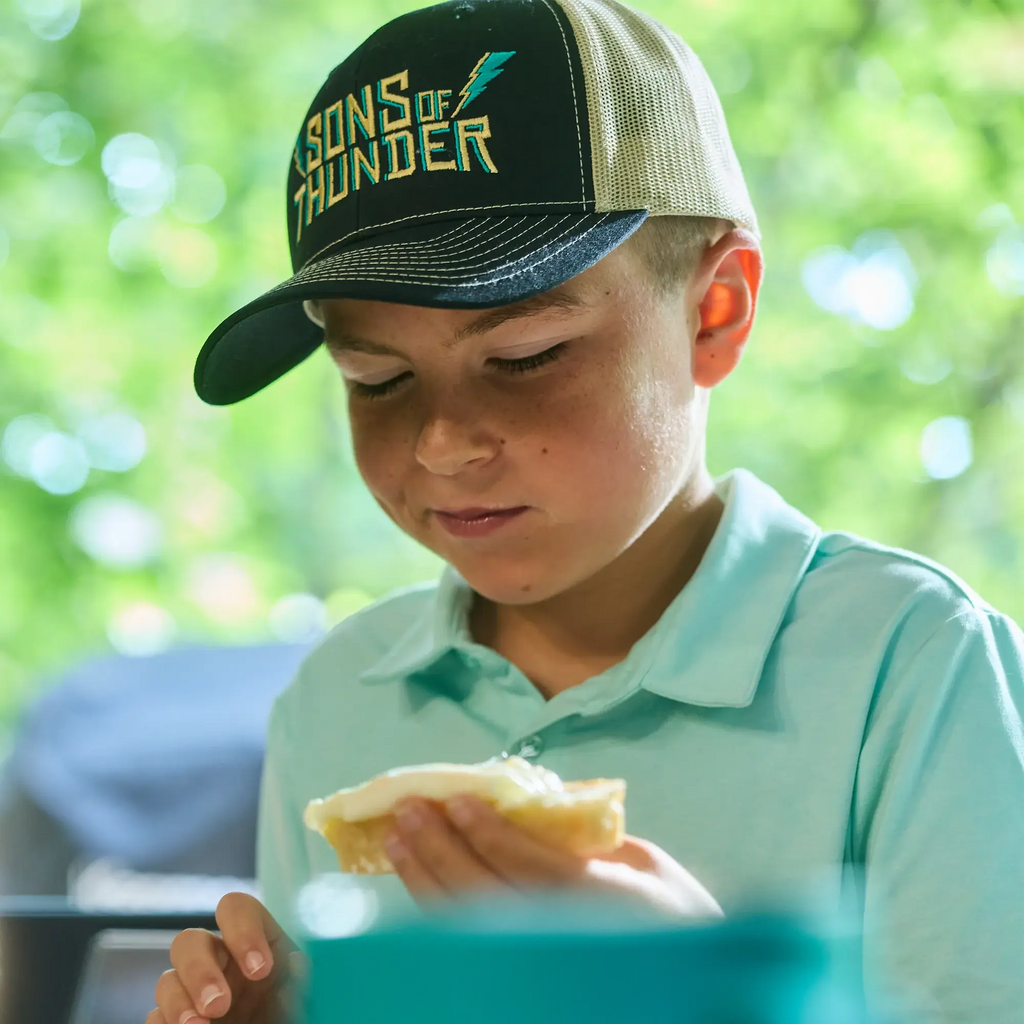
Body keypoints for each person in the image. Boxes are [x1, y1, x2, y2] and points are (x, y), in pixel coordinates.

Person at [149, 0, 1024, 1021]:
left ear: (714, 311)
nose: (442, 441)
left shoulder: (911, 668)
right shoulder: (338, 702)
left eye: (523, 359)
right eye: (376, 378)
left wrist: (713, 991)